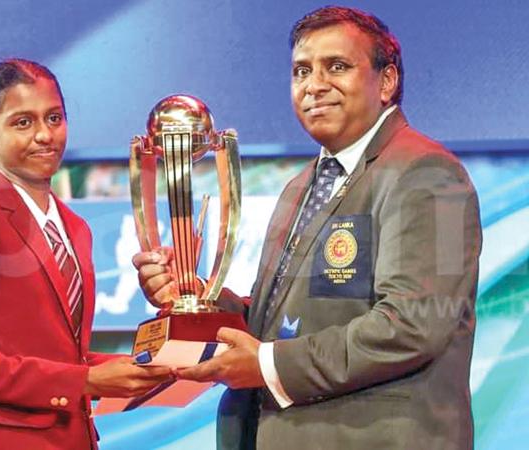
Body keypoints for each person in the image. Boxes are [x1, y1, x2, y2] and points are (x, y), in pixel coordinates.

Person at [133, 6, 481, 449]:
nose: (315, 85)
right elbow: (281, 321)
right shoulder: (301, 186)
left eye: (337, 66)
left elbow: (413, 325)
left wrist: (267, 364)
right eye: (302, 71)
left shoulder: (431, 174)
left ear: (387, 81)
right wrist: (197, 296)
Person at [0, 58, 171, 450]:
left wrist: (137, 366)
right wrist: (85, 381)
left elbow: (54, 354)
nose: (45, 135)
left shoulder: (75, 227)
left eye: (54, 118)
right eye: (23, 122)